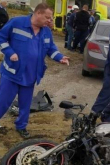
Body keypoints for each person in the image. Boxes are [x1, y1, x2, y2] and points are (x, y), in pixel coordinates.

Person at [0, 3, 70, 138]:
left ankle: (21, 126)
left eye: (51, 18)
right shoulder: (17, 22)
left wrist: (60, 57)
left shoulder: (46, 31)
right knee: (2, 102)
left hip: (31, 76)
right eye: (47, 17)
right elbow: (1, 37)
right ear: (38, 13)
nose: (50, 21)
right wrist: (9, 52)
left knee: (25, 105)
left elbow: (51, 49)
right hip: (12, 74)